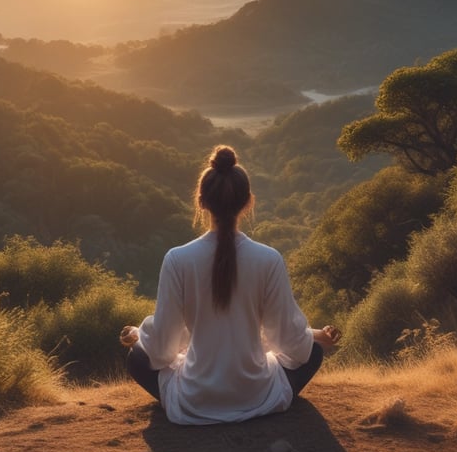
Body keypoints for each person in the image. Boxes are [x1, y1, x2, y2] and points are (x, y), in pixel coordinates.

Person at [119, 145, 341, 425]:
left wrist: (141, 334)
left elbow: (162, 350)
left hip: (194, 399)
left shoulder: (177, 259)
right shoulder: (268, 259)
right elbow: (291, 343)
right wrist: (314, 336)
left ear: (201, 201)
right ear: (248, 202)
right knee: (313, 353)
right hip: (258, 396)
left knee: (136, 359)